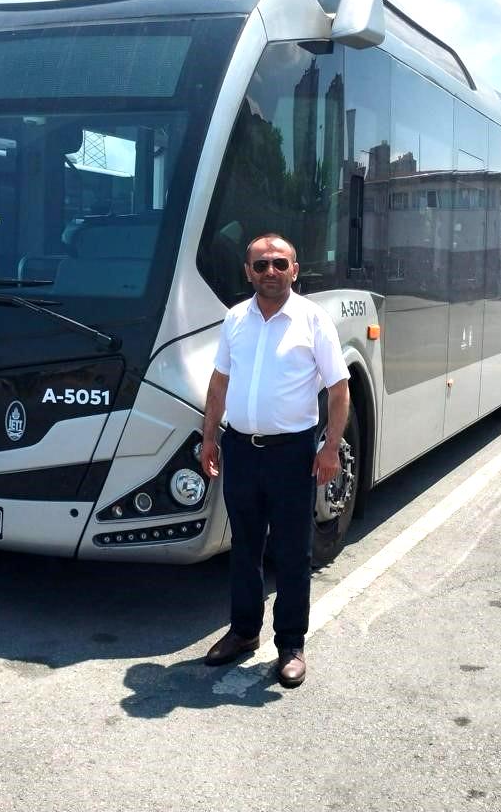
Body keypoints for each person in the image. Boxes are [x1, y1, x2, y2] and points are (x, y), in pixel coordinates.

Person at [200, 233, 350, 688]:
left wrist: (329, 449)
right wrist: (209, 438)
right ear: (248, 272)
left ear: (295, 270)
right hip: (241, 449)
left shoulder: (312, 320)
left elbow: (338, 389)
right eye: (261, 265)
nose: (270, 272)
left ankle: (290, 645)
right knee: (244, 547)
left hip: (292, 454)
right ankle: (244, 632)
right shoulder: (235, 320)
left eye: (279, 264)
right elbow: (220, 383)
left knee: (291, 551)